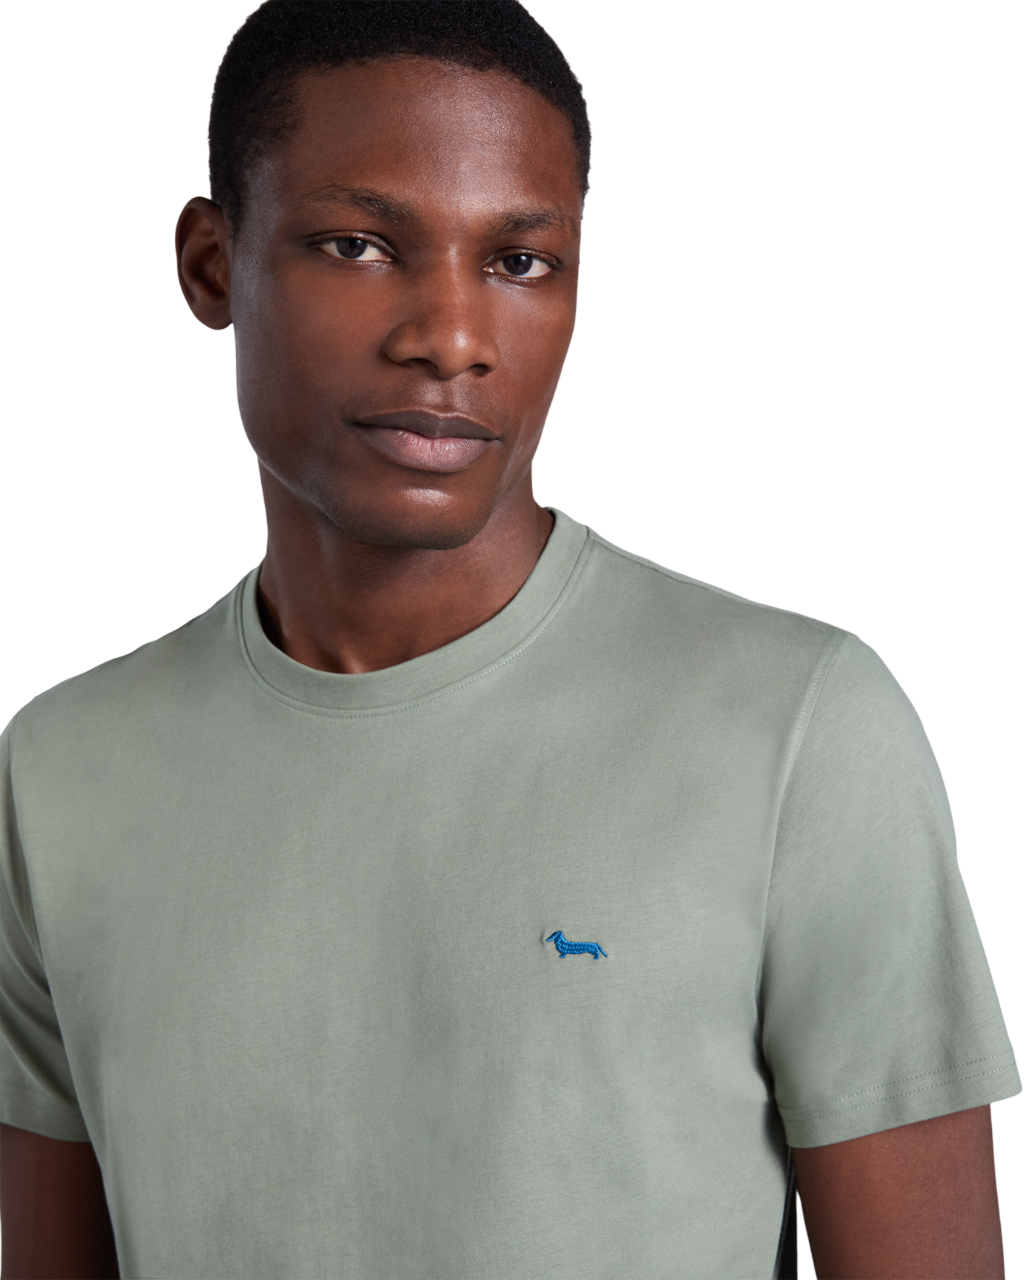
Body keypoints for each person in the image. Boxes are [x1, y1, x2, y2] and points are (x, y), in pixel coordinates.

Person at [0, 2, 1018, 1276]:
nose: (451, 336)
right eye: (359, 244)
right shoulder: (63, 773)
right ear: (213, 264)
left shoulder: (798, 732)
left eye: (521, 261)